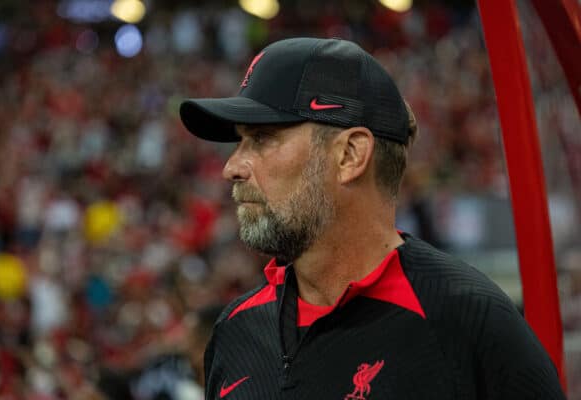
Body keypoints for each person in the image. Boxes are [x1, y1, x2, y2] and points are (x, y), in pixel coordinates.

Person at [178, 37, 565, 399]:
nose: (232, 167)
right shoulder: (236, 332)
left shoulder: (468, 320)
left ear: (349, 156)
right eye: (240, 141)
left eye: (261, 139)